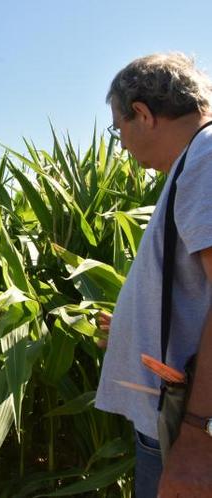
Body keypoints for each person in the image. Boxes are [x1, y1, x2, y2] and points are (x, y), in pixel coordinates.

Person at [95, 52, 212, 497]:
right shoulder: (196, 160)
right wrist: (132, 325)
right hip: (177, 423)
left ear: (142, 114)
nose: (121, 142)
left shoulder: (206, 158)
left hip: (186, 429)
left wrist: (201, 435)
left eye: (118, 128)